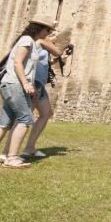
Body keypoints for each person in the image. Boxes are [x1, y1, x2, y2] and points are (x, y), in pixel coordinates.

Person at [0, 13, 56, 169]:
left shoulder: (30, 42)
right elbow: (18, 63)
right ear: (40, 28)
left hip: (12, 85)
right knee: (25, 120)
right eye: (48, 30)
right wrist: (26, 83)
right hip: (15, 85)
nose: (48, 34)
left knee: (4, 124)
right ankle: (12, 157)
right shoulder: (27, 40)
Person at [16, 28, 71, 160]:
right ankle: (9, 153)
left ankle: (29, 148)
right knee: (24, 117)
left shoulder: (37, 45)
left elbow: (45, 62)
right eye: (50, 32)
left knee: (46, 113)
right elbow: (57, 51)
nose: (51, 35)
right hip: (35, 82)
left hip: (39, 83)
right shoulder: (41, 41)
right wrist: (64, 49)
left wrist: (58, 60)